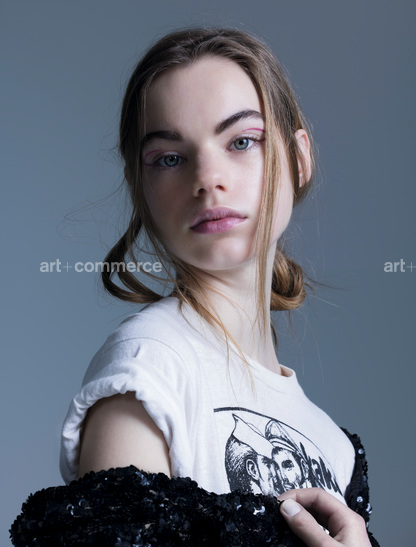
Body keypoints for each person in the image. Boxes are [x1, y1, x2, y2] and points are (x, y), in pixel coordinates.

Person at [11, 28, 378, 546]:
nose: (207, 178)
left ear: (299, 158)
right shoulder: (147, 374)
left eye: (242, 142)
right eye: (169, 158)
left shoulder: (333, 447)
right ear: (141, 188)